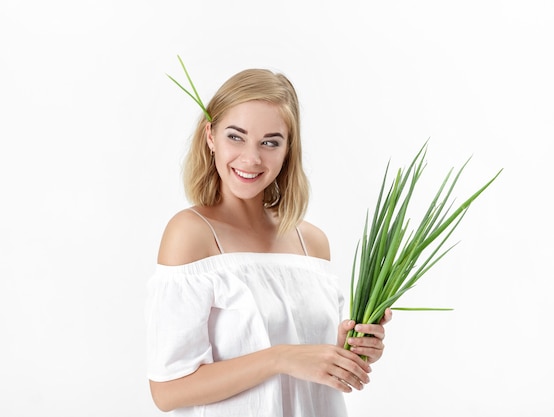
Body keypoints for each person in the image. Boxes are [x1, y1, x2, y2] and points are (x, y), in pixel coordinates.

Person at [145, 67, 392, 416]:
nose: (251, 158)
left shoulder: (312, 242)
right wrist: (281, 358)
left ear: (288, 149)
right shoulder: (191, 233)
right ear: (210, 136)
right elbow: (167, 391)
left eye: (270, 142)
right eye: (236, 136)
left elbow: (307, 367)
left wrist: (346, 352)